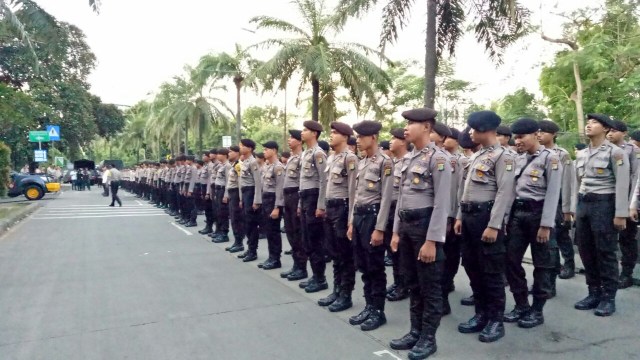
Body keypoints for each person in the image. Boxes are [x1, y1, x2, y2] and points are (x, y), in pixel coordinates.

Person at [389, 108, 451, 360]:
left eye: (411, 123)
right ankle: (415, 331)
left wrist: (432, 241)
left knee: (430, 286)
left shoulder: (439, 158)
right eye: (406, 123)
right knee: (412, 283)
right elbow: (402, 198)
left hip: (425, 227)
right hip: (406, 227)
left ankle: (428, 338)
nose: (406, 127)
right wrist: (395, 231)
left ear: (426, 127)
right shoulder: (407, 159)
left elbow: (442, 203)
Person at [454, 111, 515, 343]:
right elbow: (465, 192)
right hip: (469, 217)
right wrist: (460, 216)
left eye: (472, 129)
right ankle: (481, 314)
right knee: (472, 266)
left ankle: (496, 320)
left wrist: (494, 225)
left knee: (491, 271)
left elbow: (504, 192)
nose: (469, 133)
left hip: (486, 218)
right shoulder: (477, 156)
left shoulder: (503, 156)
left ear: (484, 129)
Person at [503, 118, 561, 329]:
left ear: (536, 134)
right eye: (515, 137)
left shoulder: (551, 159)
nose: (518, 141)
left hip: (539, 215)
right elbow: (511, 191)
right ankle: (521, 304)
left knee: (542, 264)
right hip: (518, 214)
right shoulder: (517, 159)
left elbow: (553, 193)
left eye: (521, 137)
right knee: (510, 259)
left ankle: (537, 310)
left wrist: (546, 225)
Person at [575, 114, 629, 317]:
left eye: (594, 123)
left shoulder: (615, 153)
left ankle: (608, 297)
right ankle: (593, 292)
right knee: (586, 250)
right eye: (588, 122)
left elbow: (622, 184)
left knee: (605, 251)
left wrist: (620, 213)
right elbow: (579, 182)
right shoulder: (582, 154)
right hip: (584, 204)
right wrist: (573, 208)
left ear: (606, 129)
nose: (589, 125)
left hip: (604, 204)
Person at [347, 120, 394, 332]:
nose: (357, 140)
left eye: (361, 137)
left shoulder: (385, 162)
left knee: (375, 266)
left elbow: (386, 198)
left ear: (373, 137)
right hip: (359, 217)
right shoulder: (362, 161)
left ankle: (378, 311)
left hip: (373, 218)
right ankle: (369, 305)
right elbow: (356, 195)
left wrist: (380, 228)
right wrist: (351, 222)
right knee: (364, 265)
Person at [318, 122, 358, 312]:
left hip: (342, 209)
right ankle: (336, 290)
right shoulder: (331, 158)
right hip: (331, 208)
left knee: (344, 254)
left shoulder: (350, 159)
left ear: (344, 137)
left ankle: (346, 294)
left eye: (334, 133)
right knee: (334, 253)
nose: (330, 136)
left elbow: (353, 192)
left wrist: (351, 220)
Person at [538, 120, 577, 282]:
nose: (539, 135)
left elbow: (568, 183)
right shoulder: (535, 152)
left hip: (558, 200)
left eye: (544, 132)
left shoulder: (562, 154)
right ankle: (551, 271)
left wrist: (568, 210)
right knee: (546, 240)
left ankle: (569, 264)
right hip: (540, 200)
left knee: (561, 235)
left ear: (553, 135)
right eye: (537, 132)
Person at [607, 119, 640, 289]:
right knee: (605, 238)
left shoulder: (632, 150)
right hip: (606, 199)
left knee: (627, 238)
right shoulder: (604, 148)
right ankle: (607, 273)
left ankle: (626, 273)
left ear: (624, 133)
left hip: (626, 199)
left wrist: (631, 204)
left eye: (614, 130)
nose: (610, 134)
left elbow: (636, 177)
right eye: (609, 130)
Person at [297, 121, 329, 293]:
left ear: (314, 134)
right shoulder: (305, 153)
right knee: (307, 240)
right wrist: (300, 204)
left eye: (306, 130)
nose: (302, 132)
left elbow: (324, 181)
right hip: (305, 198)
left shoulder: (318, 154)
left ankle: (320, 278)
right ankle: (315, 275)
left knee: (315, 240)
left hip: (314, 198)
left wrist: (321, 205)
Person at [280, 130, 309, 281]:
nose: (289, 140)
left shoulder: (302, 158)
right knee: (290, 232)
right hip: (287, 197)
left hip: (296, 196)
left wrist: (299, 203)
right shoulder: (291, 158)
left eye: (292, 138)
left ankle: (302, 267)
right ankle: (296, 265)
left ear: (299, 141)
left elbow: (302, 182)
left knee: (298, 234)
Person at [386, 128, 410, 303]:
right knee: (392, 250)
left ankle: (404, 285)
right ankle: (397, 281)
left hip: (400, 210)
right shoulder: (392, 163)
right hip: (389, 209)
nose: (390, 141)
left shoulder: (407, 162)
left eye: (394, 138)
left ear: (402, 141)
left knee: (401, 251)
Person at [258, 141, 285, 269]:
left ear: (274, 150)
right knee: (269, 231)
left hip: (273, 200)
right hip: (266, 199)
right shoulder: (267, 166)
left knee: (274, 231)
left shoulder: (278, 167)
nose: (264, 152)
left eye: (266, 149)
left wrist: (277, 207)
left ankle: (276, 259)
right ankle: (271, 257)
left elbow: (280, 189)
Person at [237, 139, 263, 263]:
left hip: (251, 192)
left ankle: (253, 251)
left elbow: (258, 182)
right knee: (246, 222)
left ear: (249, 148)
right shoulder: (244, 162)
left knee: (251, 223)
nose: (240, 147)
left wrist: (257, 200)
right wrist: (242, 199)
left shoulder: (253, 162)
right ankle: (249, 248)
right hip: (245, 192)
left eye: (242, 146)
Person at [224, 146, 246, 253]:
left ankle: (239, 243)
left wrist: (241, 199)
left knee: (237, 219)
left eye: (231, 151)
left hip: (237, 194)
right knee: (233, 218)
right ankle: (236, 242)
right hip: (232, 194)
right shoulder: (234, 165)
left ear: (237, 153)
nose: (229, 153)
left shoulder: (238, 165)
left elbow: (241, 183)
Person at [212, 149, 232, 243]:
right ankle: (219, 232)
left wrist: (226, 195)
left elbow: (228, 181)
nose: (217, 156)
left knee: (223, 213)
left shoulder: (227, 165)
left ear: (224, 155)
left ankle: (224, 234)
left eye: (219, 154)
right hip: (218, 190)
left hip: (223, 190)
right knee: (219, 212)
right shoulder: (221, 165)